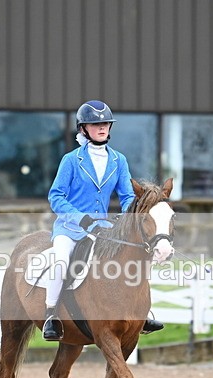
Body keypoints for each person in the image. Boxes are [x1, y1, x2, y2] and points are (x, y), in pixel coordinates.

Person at [43, 100, 164, 341]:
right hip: (71, 227)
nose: (102, 128)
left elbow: (128, 195)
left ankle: (142, 311)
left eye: (105, 123)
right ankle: (52, 314)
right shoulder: (71, 160)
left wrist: (127, 217)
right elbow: (56, 196)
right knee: (60, 258)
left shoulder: (119, 160)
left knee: (136, 256)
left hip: (103, 227)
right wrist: (81, 219)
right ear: (83, 129)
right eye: (95, 124)